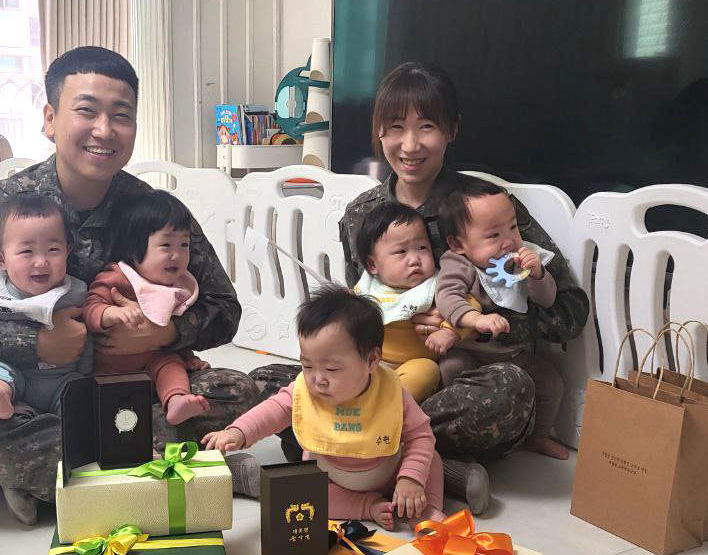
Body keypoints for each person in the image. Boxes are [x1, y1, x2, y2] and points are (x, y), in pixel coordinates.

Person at [0, 46, 260, 525]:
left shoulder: (153, 210)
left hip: (133, 385)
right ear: (50, 119)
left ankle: (65, 480)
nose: (104, 130)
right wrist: (33, 342)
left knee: (236, 390)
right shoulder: (0, 209)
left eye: (121, 115)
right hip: (33, 397)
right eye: (86, 111)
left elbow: (224, 308)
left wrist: (165, 333)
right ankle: (177, 468)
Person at [252, 62, 588, 514]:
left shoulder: (485, 206)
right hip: (377, 376)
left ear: (452, 130)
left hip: (459, 376)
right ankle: (431, 469)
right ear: (379, 133)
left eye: (426, 126)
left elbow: (569, 313)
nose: (409, 145)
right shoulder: (361, 214)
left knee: (510, 390)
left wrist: (468, 323)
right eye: (395, 128)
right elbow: (356, 316)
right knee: (270, 383)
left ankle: (357, 454)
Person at [203, 286, 444, 530]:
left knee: (431, 460)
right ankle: (367, 506)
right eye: (307, 366)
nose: (318, 379)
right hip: (332, 478)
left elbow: (421, 435)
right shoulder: (305, 391)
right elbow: (274, 410)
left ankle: (425, 508)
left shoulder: (390, 393)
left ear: (372, 360)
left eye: (331, 369)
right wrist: (239, 431)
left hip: (390, 473)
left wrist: (410, 479)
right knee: (308, 496)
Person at [435, 177, 570, 459]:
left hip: (512, 354)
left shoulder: (522, 259)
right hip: (470, 352)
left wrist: (538, 275)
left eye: (513, 227)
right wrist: (475, 319)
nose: (509, 241)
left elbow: (547, 300)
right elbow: (446, 296)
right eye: (494, 235)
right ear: (458, 243)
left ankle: (539, 436)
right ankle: (454, 438)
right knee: (448, 370)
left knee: (551, 383)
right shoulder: (458, 263)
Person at [83, 189, 212, 425]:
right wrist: (111, 313)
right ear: (135, 250)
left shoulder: (177, 285)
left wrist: (188, 357)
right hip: (112, 368)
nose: (177, 255)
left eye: (184, 244)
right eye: (166, 245)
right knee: (107, 400)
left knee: (171, 365)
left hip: (155, 361)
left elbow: (172, 326)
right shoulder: (119, 277)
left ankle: (176, 401)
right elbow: (91, 308)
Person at [0, 193, 93, 420]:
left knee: (82, 393)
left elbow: (88, 333)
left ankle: (72, 422)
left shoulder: (76, 292)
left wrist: (87, 368)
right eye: (26, 251)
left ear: (68, 250)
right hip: (13, 373)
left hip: (62, 377)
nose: (41, 261)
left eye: (53, 250)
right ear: (0, 258)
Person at [351, 201, 473, 402]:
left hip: (410, 367)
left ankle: (387, 408)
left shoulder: (439, 285)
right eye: (401, 252)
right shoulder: (367, 288)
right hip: (366, 365)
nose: (415, 259)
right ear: (372, 264)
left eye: (422, 247)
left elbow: (469, 307)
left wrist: (450, 331)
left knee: (426, 371)